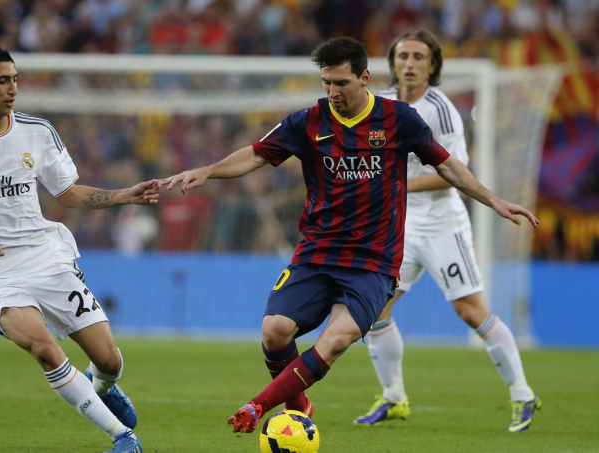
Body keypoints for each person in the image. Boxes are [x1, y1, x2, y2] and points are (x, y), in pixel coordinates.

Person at [164, 37, 539, 434]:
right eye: (326, 83)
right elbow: (258, 153)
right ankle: (300, 405)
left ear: (364, 78)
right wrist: (207, 171)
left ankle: (258, 406)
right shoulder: (308, 120)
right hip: (318, 251)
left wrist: (493, 200)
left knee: (338, 338)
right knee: (274, 332)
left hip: (373, 260)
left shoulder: (399, 118)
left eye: (341, 83)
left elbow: (446, 165)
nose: (332, 92)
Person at [0, 44, 156, 453]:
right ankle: (123, 438)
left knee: (108, 360)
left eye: (15, 79)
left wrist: (126, 195)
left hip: (47, 257)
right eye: (2, 81)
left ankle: (104, 386)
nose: (13, 88)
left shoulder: (38, 131)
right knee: (45, 350)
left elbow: (69, 193)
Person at [353, 30, 541, 433]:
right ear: (392, 61)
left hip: (442, 225)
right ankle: (393, 396)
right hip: (398, 227)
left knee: (471, 311)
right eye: (403, 55)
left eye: (419, 57)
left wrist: (395, 183)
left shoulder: (441, 110)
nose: (409, 63)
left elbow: (452, 173)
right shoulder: (377, 104)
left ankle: (523, 394)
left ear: (433, 65)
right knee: (374, 309)